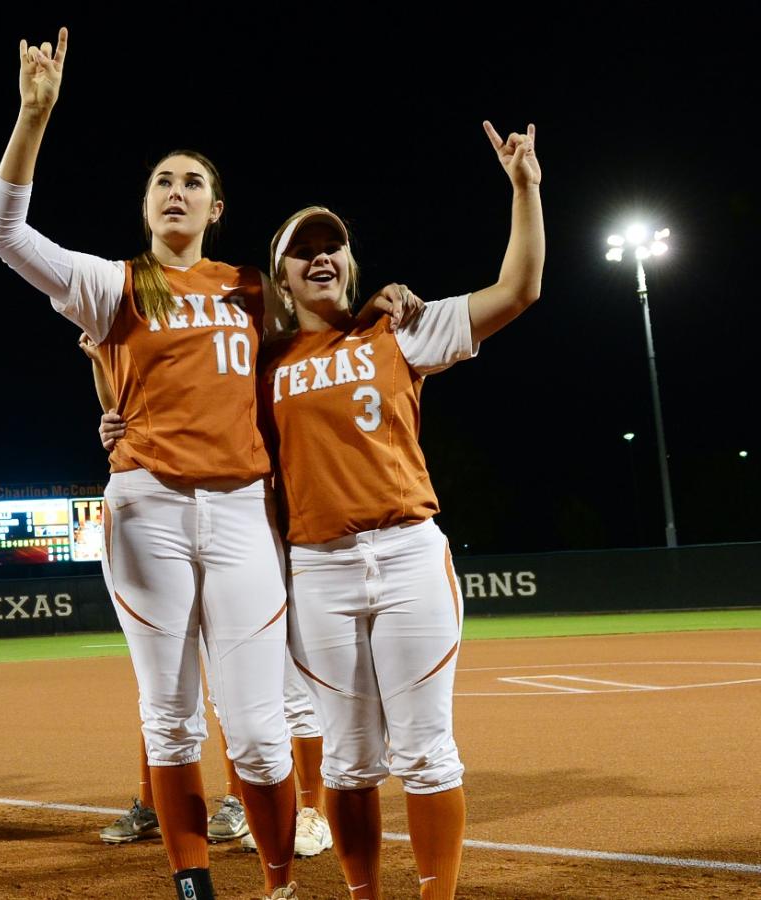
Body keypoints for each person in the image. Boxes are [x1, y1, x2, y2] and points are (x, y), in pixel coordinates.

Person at [0, 28, 296, 900]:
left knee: (261, 732)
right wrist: (32, 115)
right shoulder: (118, 284)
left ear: (218, 208)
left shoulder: (251, 289)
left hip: (240, 513)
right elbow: (1, 230)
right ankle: (193, 887)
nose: (177, 192)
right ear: (145, 203)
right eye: (163, 180)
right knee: (169, 721)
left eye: (194, 182)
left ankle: (279, 885)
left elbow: (326, 349)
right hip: (148, 510)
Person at [259, 122, 544, 900]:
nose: (323, 254)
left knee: (427, 751)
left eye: (334, 244)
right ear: (279, 277)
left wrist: (525, 188)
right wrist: (110, 408)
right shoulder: (261, 362)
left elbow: (518, 291)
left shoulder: (399, 328)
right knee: (349, 761)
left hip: (411, 554)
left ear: (350, 262)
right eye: (303, 248)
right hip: (316, 569)